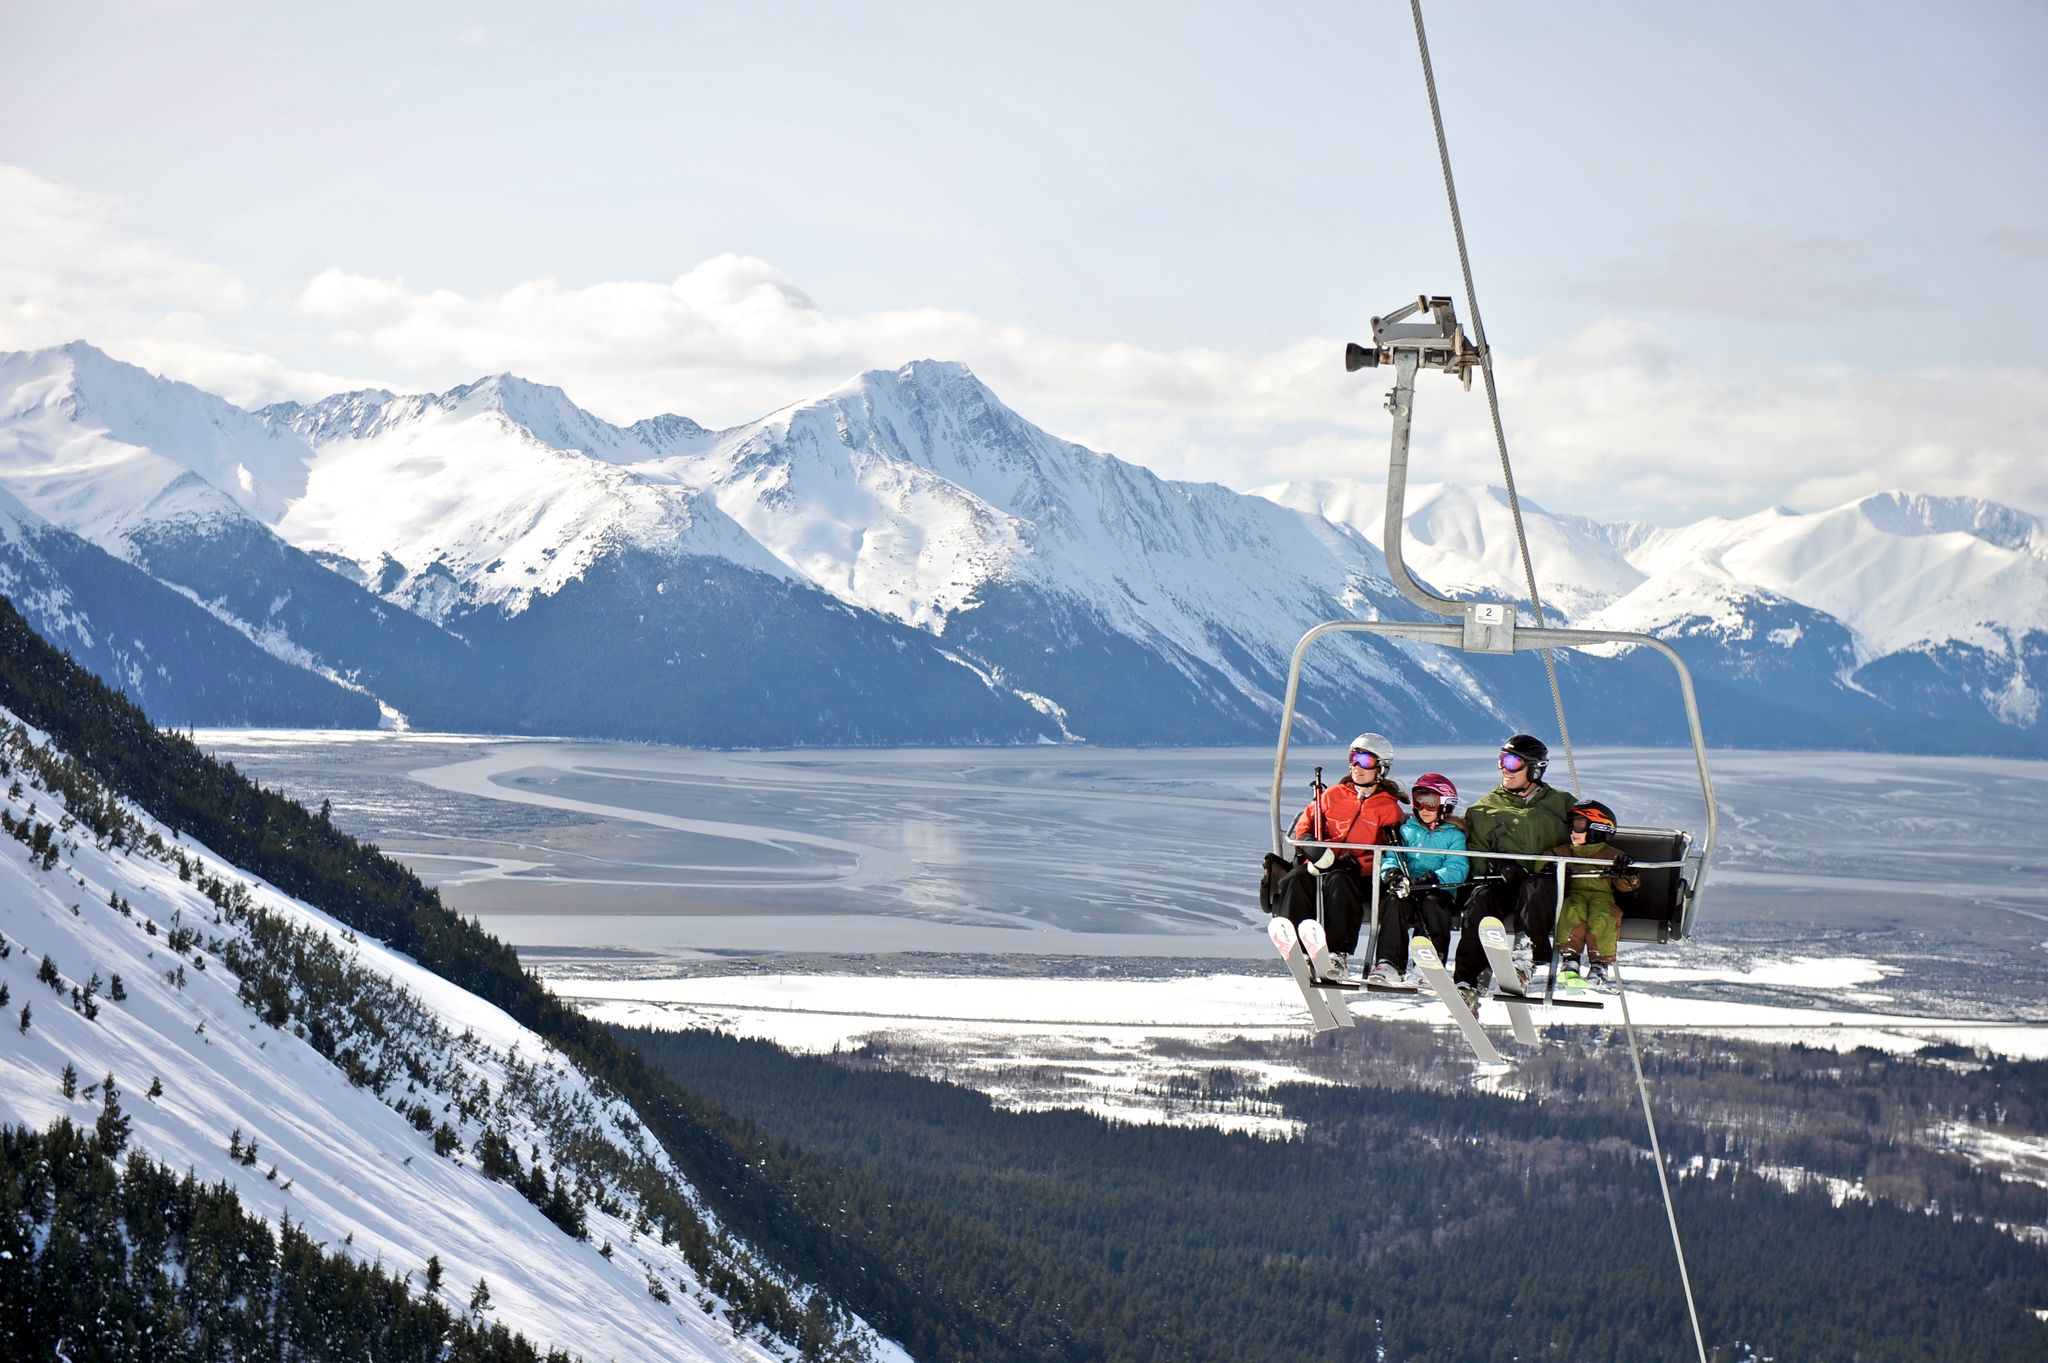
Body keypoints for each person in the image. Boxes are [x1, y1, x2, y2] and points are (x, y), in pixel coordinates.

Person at [1451, 734, 1575, 1013]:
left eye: (1513, 762)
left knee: (1535, 887)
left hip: (1542, 887)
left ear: (1534, 768)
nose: (1505, 768)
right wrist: (1498, 869)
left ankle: (1524, 960)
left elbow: (1584, 837)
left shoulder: (1561, 805)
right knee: (1480, 899)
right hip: (1503, 884)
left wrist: (1554, 863)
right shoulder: (1484, 808)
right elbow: (1475, 857)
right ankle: (1468, 982)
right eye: (1502, 761)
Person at [1270, 732, 1405, 979]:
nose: (1357, 767)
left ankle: (1338, 952)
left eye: (1365, 761)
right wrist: (1314, 848)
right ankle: (1298, 945)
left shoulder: (1388, 808)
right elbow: (1305, 825)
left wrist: (1357, 862)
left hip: (1358, 874)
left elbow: (1390, 851)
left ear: (1381, 768)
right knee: (1295, 878)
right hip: (1323, 863)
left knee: (1339, 881)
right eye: (1354, 758)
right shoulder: (1332, 795)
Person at [1365, 772, 1467, 988]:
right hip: (1408, 889)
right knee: (1393, 902)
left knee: (1433, 903)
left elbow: (1457, 867)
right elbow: (1392, 857)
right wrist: (1392, 874)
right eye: (1418, 802)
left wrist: (1432, 878)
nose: (1423, 809)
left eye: (1430, 803)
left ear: (1445, 804)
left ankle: (1427, 963)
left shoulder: (1453, 835)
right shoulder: (1407, 830)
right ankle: (1389, 962)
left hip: (1436, 890)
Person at [1550, 800, 1641, 990]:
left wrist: (1627, 873)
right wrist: (1550, 869)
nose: (1573, 832)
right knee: (1572, 910)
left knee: (1603, 916)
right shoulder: (1565, 851)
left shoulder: (1612, 855)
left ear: (1597, 829)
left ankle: (1599, 964)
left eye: (1579, 826)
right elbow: (1543, 862)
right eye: (1572, 826)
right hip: (1574, 894)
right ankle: (1570, 959)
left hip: (1602, 896)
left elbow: (1627, 887)